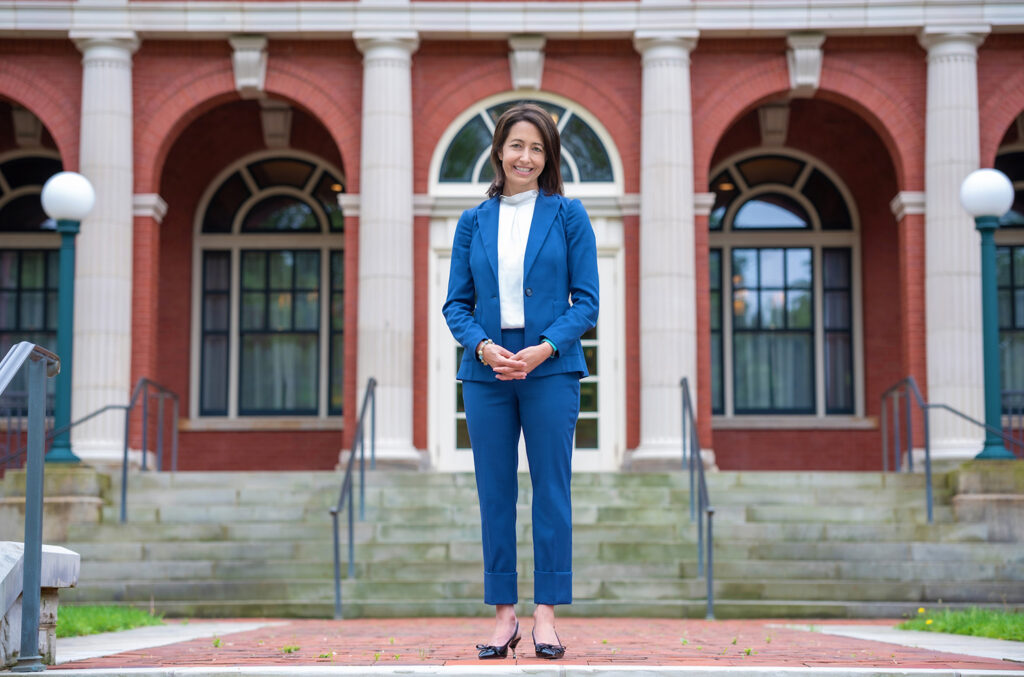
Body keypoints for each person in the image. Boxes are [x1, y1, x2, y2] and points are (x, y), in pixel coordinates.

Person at [442, 102, 599, 660]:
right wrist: (484, 347)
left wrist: (541, 349)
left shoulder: (569, 215)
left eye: (537, 147)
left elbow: (588, 304)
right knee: (496, 493)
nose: (525, 157)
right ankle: (504, 616)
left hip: (550, 369)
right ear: (499, 152)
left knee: (551, 490)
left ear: (548, 155)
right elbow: (456, 304)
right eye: (516, 146)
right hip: (486, 373)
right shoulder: (472, 222)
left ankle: (546, 617)